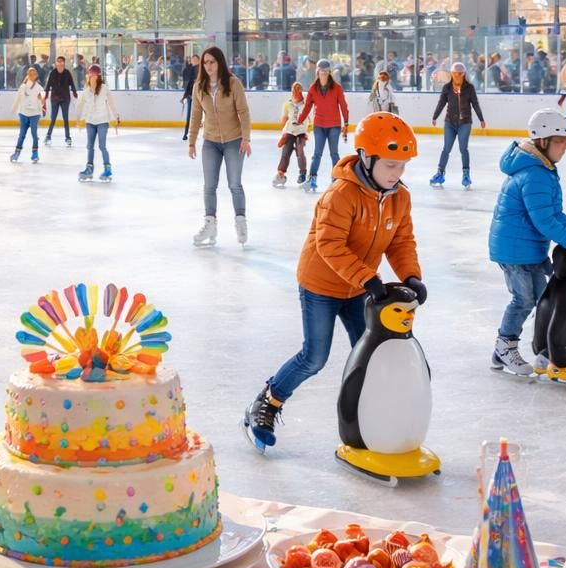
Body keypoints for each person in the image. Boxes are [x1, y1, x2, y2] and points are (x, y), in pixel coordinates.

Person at [242, 113, 425, 451]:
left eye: (402, 166)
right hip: (321, 285)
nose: (397, 174)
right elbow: (329, 245)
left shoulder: (400, 197)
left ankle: (374, 419)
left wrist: (411, 275)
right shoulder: (340, 194)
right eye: (390, 166)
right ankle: (266, 403)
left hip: (359, 286)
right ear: (367, 159)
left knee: (371, 353)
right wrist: (368, 278)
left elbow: (401, 242)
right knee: (315, 356)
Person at [488, 109, 566, 375]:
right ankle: (505, 346)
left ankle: (516, 351)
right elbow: (543, 221)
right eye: (560, 141)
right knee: (523, 300)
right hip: (514, 251)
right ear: (543, 141)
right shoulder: (534, 174)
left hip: (529, 249)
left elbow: (554, 214)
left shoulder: (543, 169)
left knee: (539, 296)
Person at [187, 46, 252, 248]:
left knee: (234, 184)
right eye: (205, 62)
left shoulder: (233, 84)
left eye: (212, 62)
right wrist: (191, 141)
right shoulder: (199, 86)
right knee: (209, 186)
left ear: (219, 63)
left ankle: (240, 222)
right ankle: (210, 224)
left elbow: (244, 112)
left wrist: (246, 139)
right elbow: (196, 115)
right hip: (211, 142)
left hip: (234, 140)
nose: (208, 66)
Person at [295, 59, 350, 191]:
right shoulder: (313, 88)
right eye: (321, 71)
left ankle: (336, 178)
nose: (324, 74)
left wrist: (346, 122)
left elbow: (343, 105)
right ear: (317, 72)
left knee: (334, 153)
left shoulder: (337, 88)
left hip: (334, 126)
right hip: (319, 125)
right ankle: (312, 178)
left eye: (326, 71)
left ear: (329, 72)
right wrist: (300, 120)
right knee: (317, 154)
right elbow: (307, 106)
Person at [429, 61, 485, 189]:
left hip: (465, 123)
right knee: (446, 149)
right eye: (455, 73)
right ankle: (440, 173)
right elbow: (441, 103)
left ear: (464, 74)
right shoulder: (447, 88)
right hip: (450, 122)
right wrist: (435, 116)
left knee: (463, 149)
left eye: (460, 73)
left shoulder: (469, 88)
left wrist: (481, 118)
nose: (457, 76)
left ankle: (466, 175)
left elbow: (475, 104)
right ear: (451, 74)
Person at [76, 65, 121, 181]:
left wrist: (116, 117)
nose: (93, 77)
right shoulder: (86, 91)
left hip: (102, 121)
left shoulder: (104, 89)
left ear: (99, 76)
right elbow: (80, 105)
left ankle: (107, 169)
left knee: (102, 146)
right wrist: (79, 119)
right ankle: (89, 169)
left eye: (95, 75)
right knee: (89, 146)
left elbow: (111, 103)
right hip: (90, 122)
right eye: (91, 74)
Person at [273, 82, 312, 187]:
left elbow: (309, 120)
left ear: (301, 91)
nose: (295, 92)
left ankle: (303, 173)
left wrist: (306, 132)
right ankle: (281, 173)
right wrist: (284, 134)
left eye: (298, 90)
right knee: (286, 151)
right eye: (294, 90)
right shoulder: (287, 104)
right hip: (290, 131)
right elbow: (283, 120)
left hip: (301, 132)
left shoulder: (306, 104)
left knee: (300, 151)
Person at [10, 67, 46, 163]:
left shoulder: (40, 88)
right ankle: (17, 152)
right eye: (30, 74)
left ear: (36, 76)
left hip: (35, 114)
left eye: (34, 74)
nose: (32, 76)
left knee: (34, 134)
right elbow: (17, 98)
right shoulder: (23, 87)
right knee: (22, 134)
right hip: (23, 114)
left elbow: (44, 100)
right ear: (28, 75)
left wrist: (43, 107)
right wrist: (13, 110)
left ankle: (35, 153)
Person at [43, 55, 78, 146]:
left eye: (61, 61)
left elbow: (72, 84)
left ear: (64, 63)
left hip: (65, 98)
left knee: (65, 118)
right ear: (56, 63)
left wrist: (74, 92)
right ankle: (48, 136)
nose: (60, 63)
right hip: (54, 98)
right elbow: (48, 85)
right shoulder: (52, 73)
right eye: (58, 61)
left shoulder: (67, 73)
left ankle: (68, 137)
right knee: (53, 118)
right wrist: (46, 95)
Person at [180, 56, 198, 140]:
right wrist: (185, 96)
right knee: (189, 115)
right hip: (190, 95)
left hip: (199, 95)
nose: (193, 61)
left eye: (195, 59)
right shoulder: (189, 69)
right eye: (192, 59)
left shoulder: (200, 69)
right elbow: (187, 83)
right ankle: (186, 133)